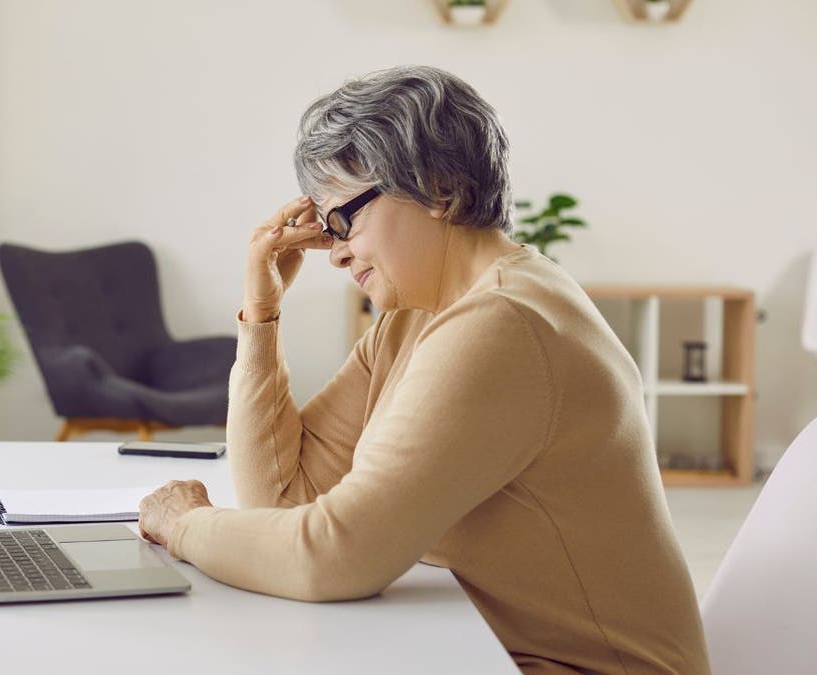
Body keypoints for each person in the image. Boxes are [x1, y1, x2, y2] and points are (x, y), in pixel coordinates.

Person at [137, 65, 709, 674]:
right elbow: (280, 500)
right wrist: (263, 314)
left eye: (343, 219)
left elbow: (333, 557)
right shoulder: (418, 315)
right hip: (486, 651)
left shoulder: (505, 322)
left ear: (440, 189)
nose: (332, 252)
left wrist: (185, 525)